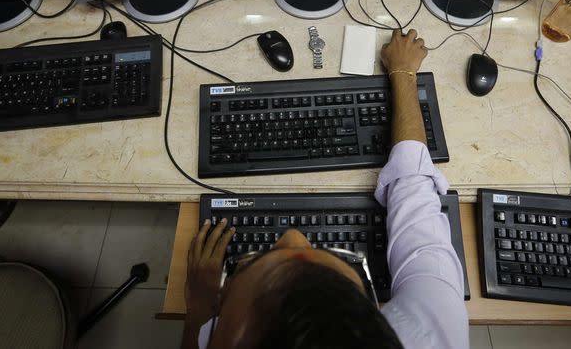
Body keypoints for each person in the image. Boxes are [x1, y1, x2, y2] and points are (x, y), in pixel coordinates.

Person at [181, 29, 469, 349]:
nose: (292, 235)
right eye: (326, 256)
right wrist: (403, 72)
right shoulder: (435, 334)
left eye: (249, 263)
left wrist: (200, 310)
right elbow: (413, 182)